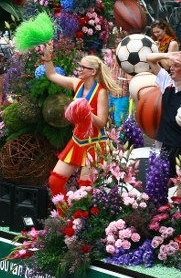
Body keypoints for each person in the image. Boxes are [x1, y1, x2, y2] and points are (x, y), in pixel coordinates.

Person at [42, 42, 121, 198]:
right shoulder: (76, 83)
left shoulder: (101, 92)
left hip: (94, 144)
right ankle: (63, 212)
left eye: (83, 67)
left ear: (93, 72)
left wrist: (86, 111)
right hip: (77, 141)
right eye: (79, 66)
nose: (79, 69)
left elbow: (101, 123)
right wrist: (47, 57)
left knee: (85, 189)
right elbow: (52, 75)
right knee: (55, 181)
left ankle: (80, 215)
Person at [103, 47, 130, 127]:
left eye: (107, 56)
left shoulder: (124, 63)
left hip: (121, 96)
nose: (105, 58)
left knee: (119, 121)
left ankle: (120, 134)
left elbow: (130, 80)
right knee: (108, 119)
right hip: (110, 95)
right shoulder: (109, 65)